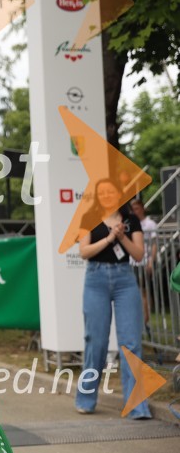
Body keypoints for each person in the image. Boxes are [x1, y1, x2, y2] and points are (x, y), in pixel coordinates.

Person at [75, 178, 151, 419]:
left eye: (112, 193)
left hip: (124, 280)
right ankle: (86, 399)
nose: (108, 196)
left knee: (131, 343)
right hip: (95, 279)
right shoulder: (89, 217)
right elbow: (84, 251)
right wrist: (108, 239)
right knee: (95, 341)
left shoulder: (132, 220)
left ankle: (137, 405)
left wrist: (122, 237)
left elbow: (138, 255)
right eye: (103, 193)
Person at [129, 198, 158, 328]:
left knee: (144, 292)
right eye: (132, 209)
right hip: (132, 262)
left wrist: (151, 261)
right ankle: (136, 320)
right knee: (133, 292)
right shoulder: (129, 222)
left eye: (136, 208)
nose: (135, 211)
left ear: (142, 208)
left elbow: (154, 244)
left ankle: (145, 320)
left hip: (144, 262)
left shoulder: (150, 224)